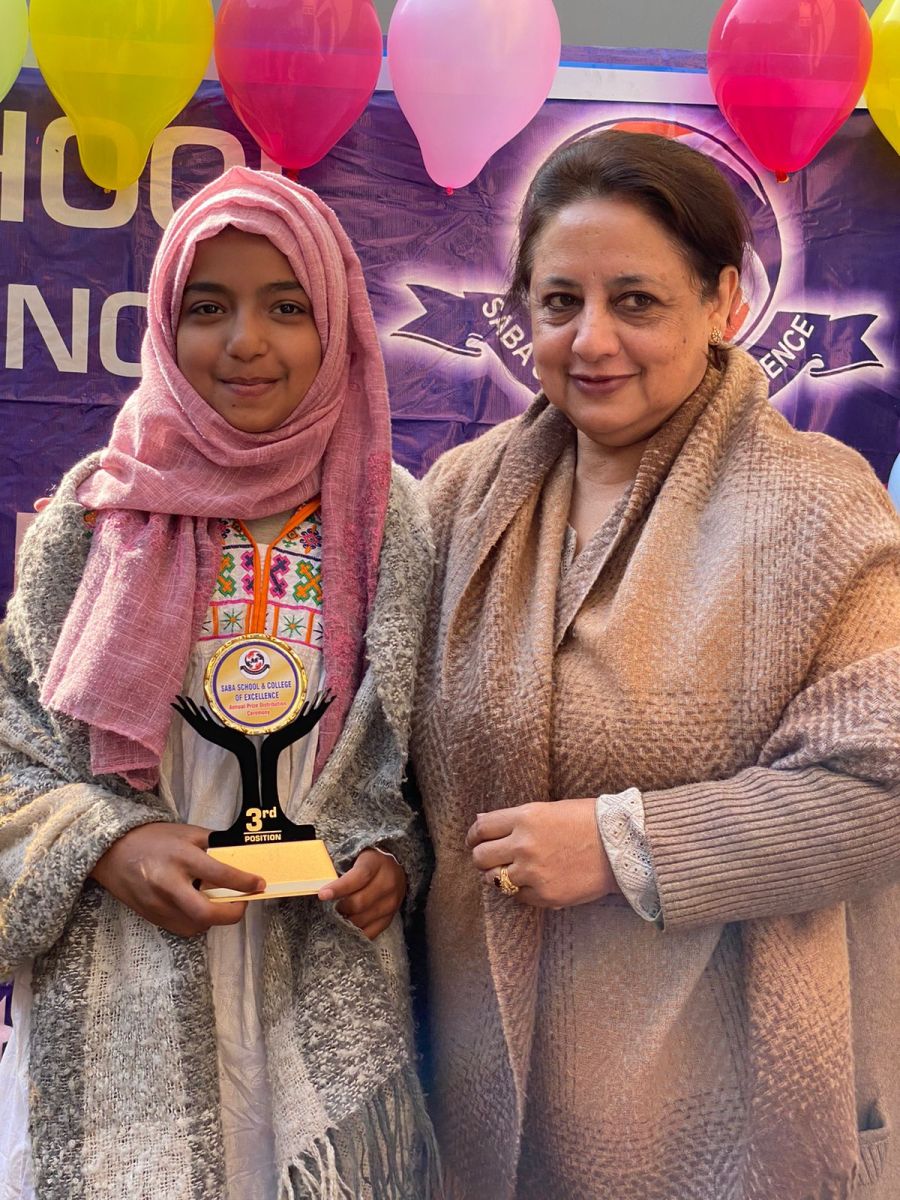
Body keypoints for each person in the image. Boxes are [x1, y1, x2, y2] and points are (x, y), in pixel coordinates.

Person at [411, 130, 900, 1200]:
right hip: (482, 1117)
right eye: (560, 302)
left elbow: (883, 791)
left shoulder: (816, 506)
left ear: (723, 300)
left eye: (636, 301)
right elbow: (387, 755)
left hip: (719, 1126)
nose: (592, 341)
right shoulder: (457, 498)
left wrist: (625, 846)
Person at [0, 167, 439, 1199]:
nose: (246, 341)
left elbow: (423, 767)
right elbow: (11, 749)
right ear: (164, 324)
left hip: (318, 973)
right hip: (124, 989)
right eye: (208, 308)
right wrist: (105, 846)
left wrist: (396, 863)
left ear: (337, 322)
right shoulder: (96, 515)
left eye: (287, 307)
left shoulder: (393, 517)